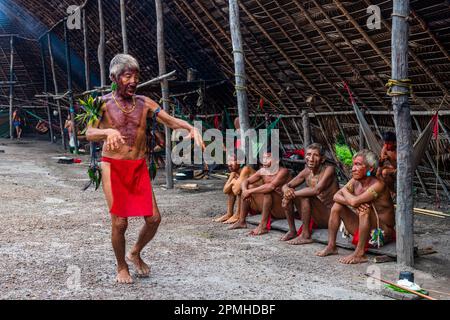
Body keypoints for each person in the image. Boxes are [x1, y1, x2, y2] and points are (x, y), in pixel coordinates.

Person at [86, 54, 204, 284]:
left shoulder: (144, 103)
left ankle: (135, 252)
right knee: (120, 222)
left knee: (154, 219)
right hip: (112, 166)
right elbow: (88, 133)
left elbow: (169, 120)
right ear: (114, 77)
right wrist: (107, 132)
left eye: (136, 76)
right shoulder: (101, 103)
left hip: (138, 167)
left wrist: (190, 127)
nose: (133, 81)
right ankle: (121, 266)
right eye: (127, 76)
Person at [316, 149, 395, 264]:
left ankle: (360, 253)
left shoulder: (378, 185)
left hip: (382, 233)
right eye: (353, 164)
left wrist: (345, 192)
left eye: (358, 165)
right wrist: (351, 200)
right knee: (337, 206)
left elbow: (353, 201)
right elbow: (336, 197)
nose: (353, 168)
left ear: (370, 168)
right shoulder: (355, 181)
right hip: (364, 228)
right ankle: (331, 246)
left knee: (365, 209)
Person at [281, 143, 339, 244]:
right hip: (315, 215)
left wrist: (291, 194)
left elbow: (316, 190)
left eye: (315, 155)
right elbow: (286, 185)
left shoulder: (329, 170)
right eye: (308, 154)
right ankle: (292, 231)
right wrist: (287, 191)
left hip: (329, 216)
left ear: (322, 159)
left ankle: (305, 235)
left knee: (304, 196)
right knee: (290, 194)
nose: (311, 159)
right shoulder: (307, 171)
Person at [228, 150, 291, 236]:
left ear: (277, 160)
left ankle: (263, 226)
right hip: (268, 207)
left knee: (267, 192)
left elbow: (271, 187)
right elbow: (245, 181)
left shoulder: (283, 172)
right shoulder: (263, 171)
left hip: (282, 209)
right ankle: (241, 221)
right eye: (263, 158)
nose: (264, 160)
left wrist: (249, 191)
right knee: (248, 187)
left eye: (268, 158)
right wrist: (246, 190)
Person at [213, 155, 256, 224]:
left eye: (232, 161)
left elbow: (236, 191)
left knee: (240, 188)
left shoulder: (246, 169)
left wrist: (233, 182)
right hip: (249, 202)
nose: (229, 164)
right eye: (228, 161)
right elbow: (225, 191)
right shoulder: (233, 173)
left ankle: (237, 214)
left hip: (258, 203)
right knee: (234, 186)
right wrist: (232, 182)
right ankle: (229, 214)